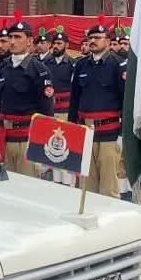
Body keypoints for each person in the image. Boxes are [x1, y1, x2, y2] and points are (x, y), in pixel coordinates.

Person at [68, 16, 126, 198]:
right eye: (90, 38)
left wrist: (122, 135)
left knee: (108, 188)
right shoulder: (81, 65)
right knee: (86, 187)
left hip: (109, 133)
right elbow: (74, 100)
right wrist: (72, 129)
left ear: (108, 42)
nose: (92, 41)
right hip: (86, 133)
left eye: (97, 38)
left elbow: (126, 100)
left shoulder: (119, 65)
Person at [0, 12, 54, 176]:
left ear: (29, 41)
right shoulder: (3, 67)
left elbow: (46, 111)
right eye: (11, 37)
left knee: (27, 189)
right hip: (4, 138)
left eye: (17, 37)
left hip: (26, 140)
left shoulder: (39, 70)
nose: (12, 42)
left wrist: (43, 146)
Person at [45, 26, 76, 186]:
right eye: (54, 43)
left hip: (65, 111)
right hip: (50, 110)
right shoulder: (45, 63)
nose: (55, 46)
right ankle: (54, 180)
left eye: (59, 43)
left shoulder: (72, 64)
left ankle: (68, 182)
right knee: (51, 147)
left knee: (65, 146)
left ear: (66, 45)